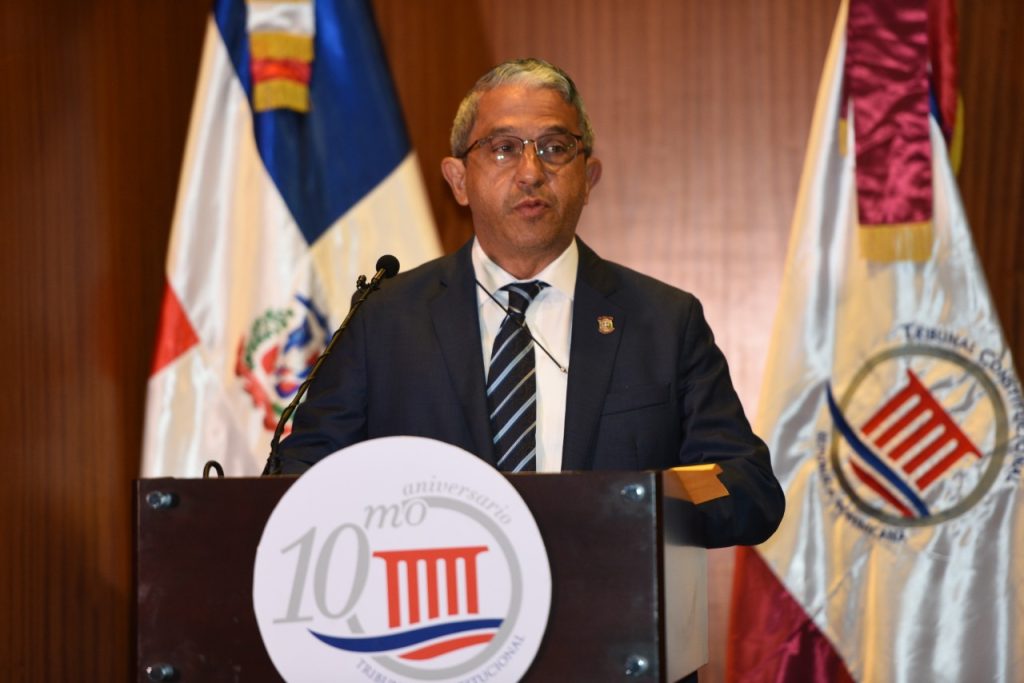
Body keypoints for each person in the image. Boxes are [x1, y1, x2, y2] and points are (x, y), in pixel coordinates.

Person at [268, 58, 784, 548]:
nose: (531, 172)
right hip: (438, 603)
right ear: (458, 180)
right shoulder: (385, 320)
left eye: (555, 147)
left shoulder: (664, 322)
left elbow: (749, 487)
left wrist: (639, 504)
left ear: (589, 178)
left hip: (605, 600)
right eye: (503, 148)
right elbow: (301, 478)